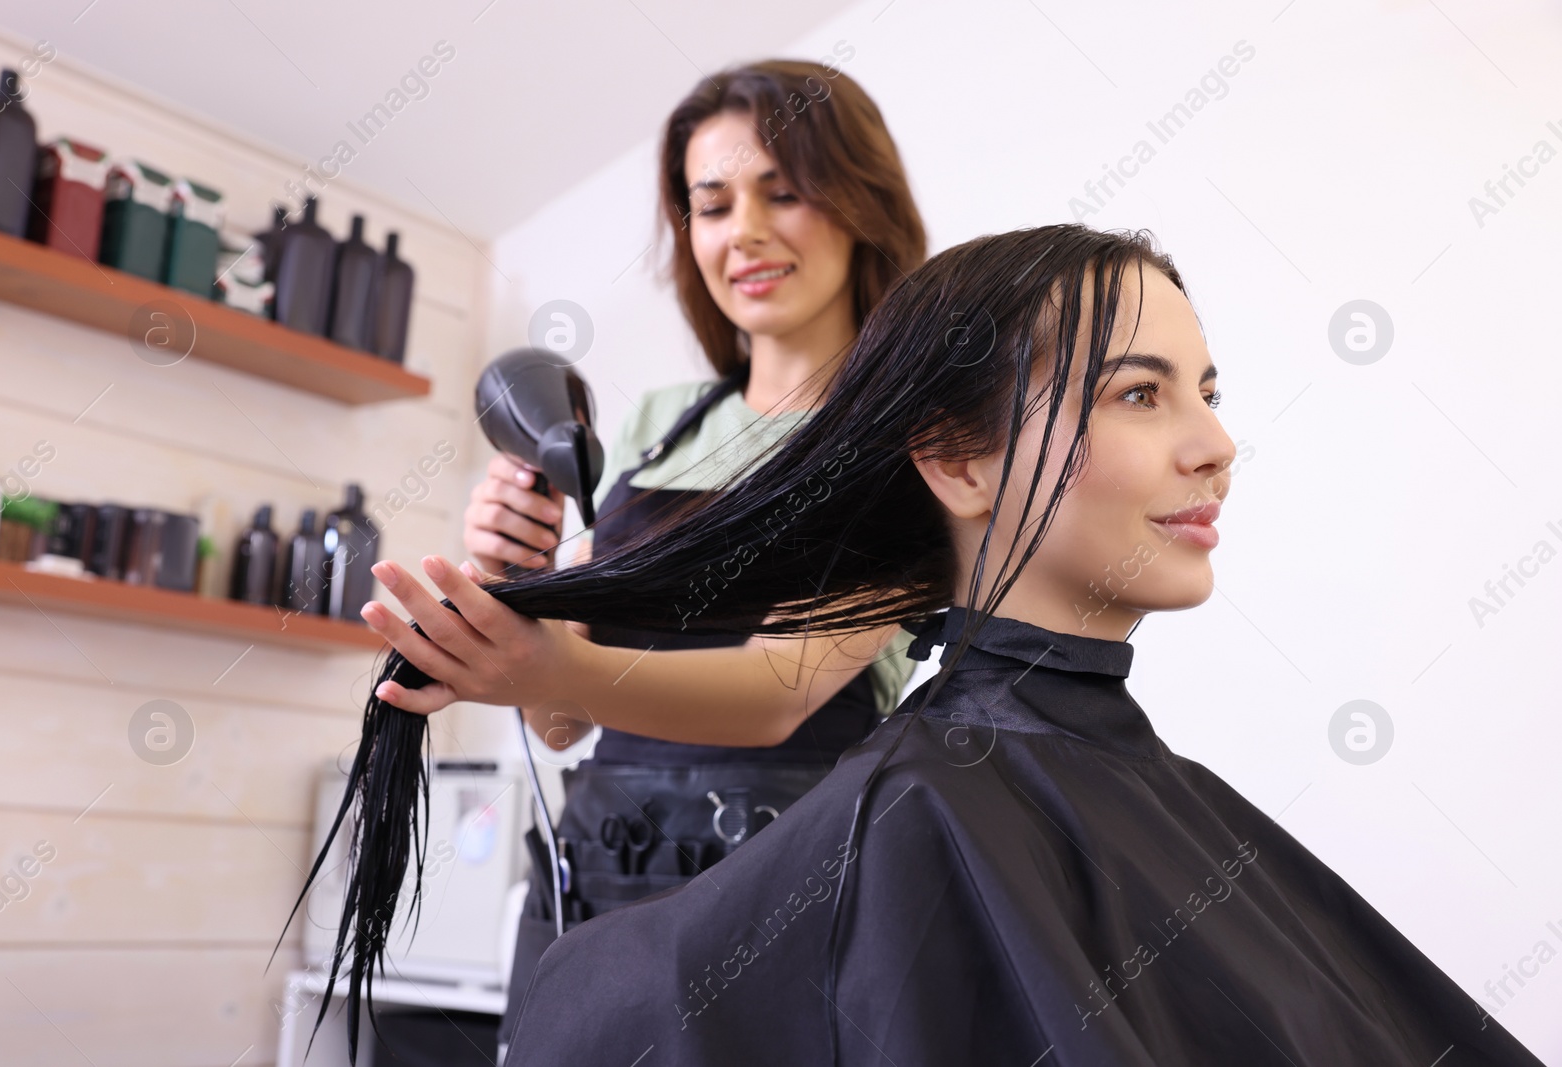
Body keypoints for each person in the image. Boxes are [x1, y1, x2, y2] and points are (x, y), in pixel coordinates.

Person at [406, 223, 1547, 1065]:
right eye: (1140, 396)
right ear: (956, 461)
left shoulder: (1128, 792)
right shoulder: (923, 819)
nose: (1217, 443)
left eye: (1204, 391)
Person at [352, 59, 927, 1050]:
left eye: (781, 192)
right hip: (596, 884)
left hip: (783, 891)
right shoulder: (659, 426)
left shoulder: (905, 437)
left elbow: (780, 690)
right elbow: (565, 718)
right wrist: (524, 588)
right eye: (709, 205)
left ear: (860, 203)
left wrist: (553, 659)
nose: (739, 231)